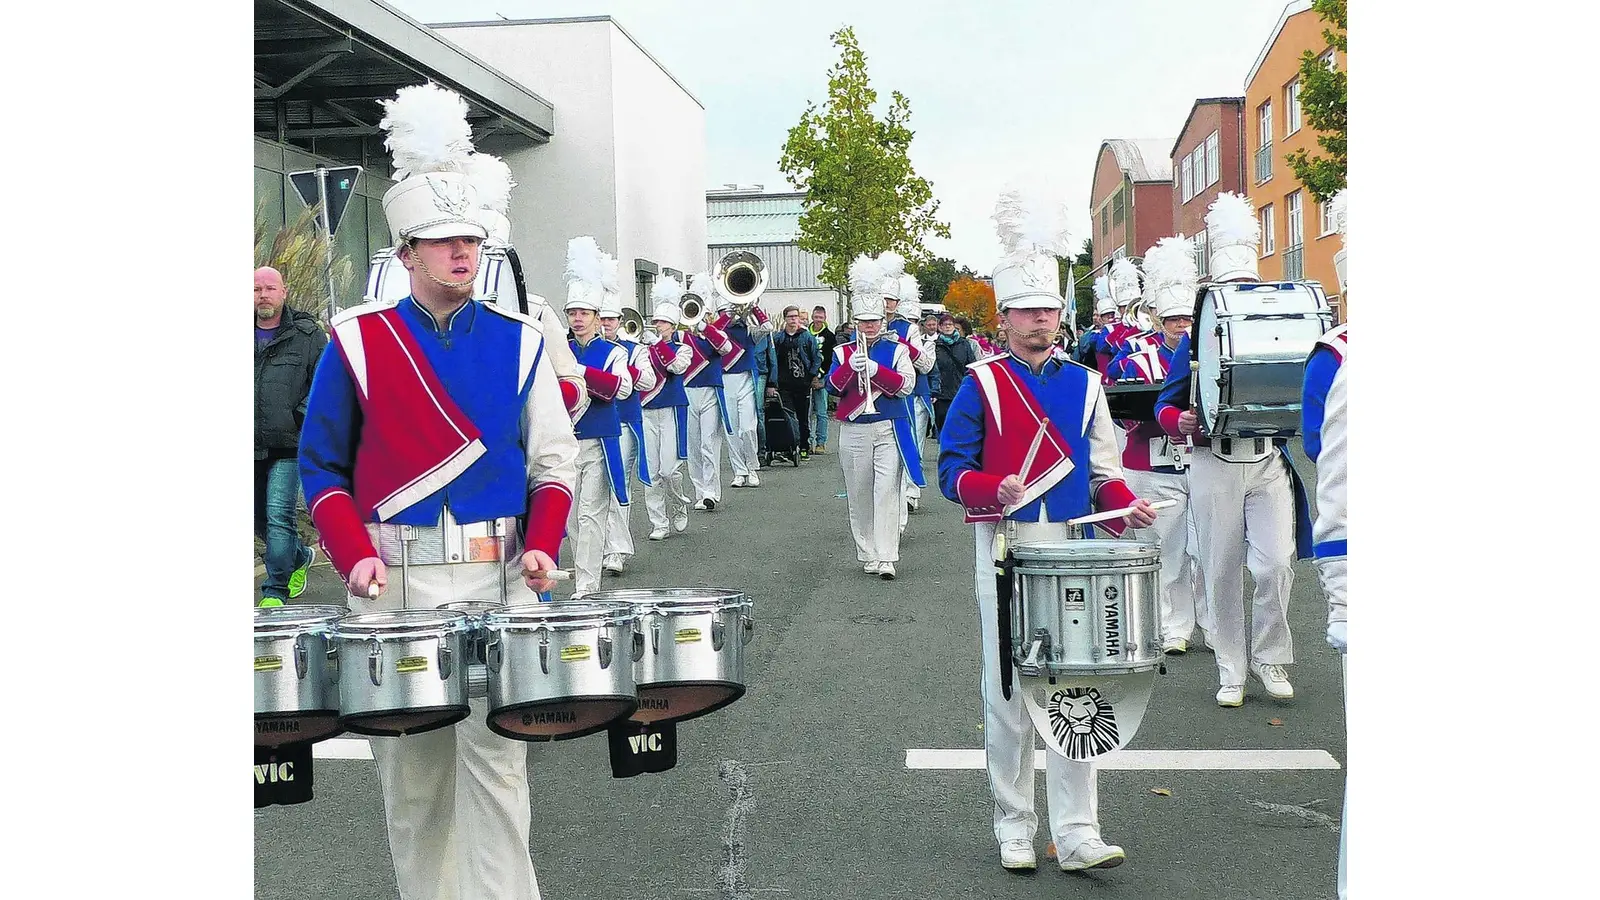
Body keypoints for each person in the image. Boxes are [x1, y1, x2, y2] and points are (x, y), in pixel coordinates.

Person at [297, 83, 578, 900]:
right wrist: (353, 558)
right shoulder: (357, 340)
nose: (463, 252)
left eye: (471, 239)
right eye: (443, 241)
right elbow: (323, 469)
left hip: (497, 578)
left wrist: (542, 545)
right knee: (416, 791)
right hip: (397, 583)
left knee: (499, 777)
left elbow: (552, 466)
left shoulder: (521, 342)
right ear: (409, 254)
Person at [939, 184, 1157, 873]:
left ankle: (1077, 829)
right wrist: (989, 489)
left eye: (1049, 311)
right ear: (1004, 319)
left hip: (1074, 551)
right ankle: (1014, 823)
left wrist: (1127, 505)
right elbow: (951, 471)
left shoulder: (1086, 383)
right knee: (1007, 692)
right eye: (1028, 312)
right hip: (1004, 549)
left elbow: (1103, 472)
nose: (1041, 322)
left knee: (1075, 686)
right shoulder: (980, 384)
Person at [1155, 192, 1313, 708]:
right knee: (1221, 569)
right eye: (1231, 287)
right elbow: (1166, 402)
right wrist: (1176, 419)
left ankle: (1270, 655)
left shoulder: (1279, 329)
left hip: (1267, 459)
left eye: (1247, 286)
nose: (1239, 294)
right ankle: (1231, 668)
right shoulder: (1193, 341)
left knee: (1275, 565)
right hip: (1213, 461)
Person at [1106, 237, 1208, 654]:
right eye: (1173, 320)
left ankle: (1213, 624)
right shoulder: (1133, 353)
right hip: (1150, 463)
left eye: (1187, 318)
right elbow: (1114, 400)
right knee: (1164, 551)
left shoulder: (1211, 347)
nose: (1181, 327)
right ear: (1156, 318)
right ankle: (1172, 626)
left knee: (1206, 550)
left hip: (1200, 461)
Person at [826, 255, 922, 579]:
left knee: (886, 491)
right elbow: (831, 388)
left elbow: (906, 386)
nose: (870, 327)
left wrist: (876, 370)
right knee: (859, 491)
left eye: (874, 321)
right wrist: (847, 371)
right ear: (856, 322)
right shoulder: (842, 352)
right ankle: (866, 550)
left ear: (882, 321)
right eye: (864, 322)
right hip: (854, 428)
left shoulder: (897, 351)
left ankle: (887, 556)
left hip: (888, 426)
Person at [564, 239, 634, 597]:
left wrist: (579, 373)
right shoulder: (556, 347)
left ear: (595, 317)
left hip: (599, 439)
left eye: (583, 313)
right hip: (564, 442)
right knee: (571, 518)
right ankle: (582, 573)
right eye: (572, 312)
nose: (577, 319)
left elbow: (623, 389)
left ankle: (587, 585)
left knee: (591, 514)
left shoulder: (613, 351)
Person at [254, 266, 325, 607]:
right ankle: (299, 557)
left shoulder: (307, 334)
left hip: (289, 442)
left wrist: (301, 416)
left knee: (278, 514)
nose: (263, 295)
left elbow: (324, 382)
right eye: (256, 289)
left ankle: (275, 591)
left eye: (269, 288)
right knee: (258, 518)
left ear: (283, 292)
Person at [599, 290, 657, 576]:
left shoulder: (634, 349)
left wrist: (619, 373)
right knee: (594, 492)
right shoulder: (583, 347)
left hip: (623, 423)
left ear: (620, 320)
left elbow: (648, 379)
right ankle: (603, 546)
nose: (606, 323)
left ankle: (617, 550)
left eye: (611, 319)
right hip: (590, 428)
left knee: (616, 486)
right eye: (603, 318)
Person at [640, 279, 695, 541]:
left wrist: (658, 346)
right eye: (656, 322)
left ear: (672, 326)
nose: (657, 326)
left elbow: (677, 368)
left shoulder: (682, 348)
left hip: (672, 409)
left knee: (668, 470)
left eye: (662, 323)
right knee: (651, 472)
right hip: (647, 410)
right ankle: (658, 522)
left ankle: (679, 503)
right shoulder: (644, 349)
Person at [681, 274, 738, 510]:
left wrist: (705, 327)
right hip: (687, 393)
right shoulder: (681, 335)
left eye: (702, 312)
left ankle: (711, 492)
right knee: (693, 445)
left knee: (708, 442)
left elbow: (726, 349)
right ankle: (698, 491)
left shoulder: (716, 333)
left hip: (710, 393)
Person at [712, 285, 774, 489]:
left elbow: (767, 328)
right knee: (731, 430)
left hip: (746, 380)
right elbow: (712, 333)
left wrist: (753, 306)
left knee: (747, 428)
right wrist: (727, 315)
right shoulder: (717, 331)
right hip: (724, 382)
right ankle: (739, 471)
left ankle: (752, 468)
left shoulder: (748, 330)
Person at [773, 305, 822, 458]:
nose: (793, 319)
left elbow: (816, 357)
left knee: (803, 417)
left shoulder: (807, 337)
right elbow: (773, 359)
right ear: (785, 318)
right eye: (790, 317)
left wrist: (812, 375)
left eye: (796, 316)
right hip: (784, 384)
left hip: (803, 384)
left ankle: (804, 446)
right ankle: (789, 446)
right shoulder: (779, 338)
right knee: (788, 416)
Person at [932, 313, 975, 437]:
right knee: (942, 424)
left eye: (950, 324)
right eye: (945, 324)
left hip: (960, 389)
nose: (948, 327)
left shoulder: (964, 344)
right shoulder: (935, 345)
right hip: (942, 393)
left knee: (960, 423)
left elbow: (971, 365)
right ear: (939, 327)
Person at [809, 306, 837, 453]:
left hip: (821, 379)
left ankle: (821, 442)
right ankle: (806, 442)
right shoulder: (805, 333)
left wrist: (821, 378)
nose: (818, 320)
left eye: (821, 317)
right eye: (816, 317)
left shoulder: (830, 337)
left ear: (825, 318)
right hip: (805, 379)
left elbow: (831, 360)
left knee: (821, 412)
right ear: (812, 317)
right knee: (806, 414)